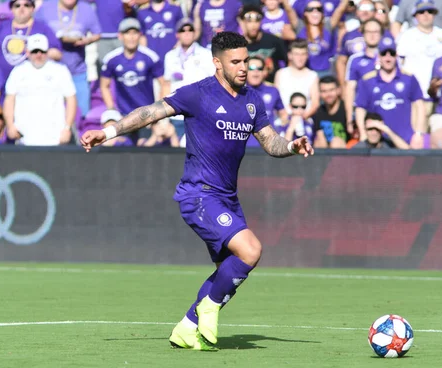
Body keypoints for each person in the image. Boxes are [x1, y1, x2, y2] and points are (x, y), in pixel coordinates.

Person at [80, 31, 314, 351]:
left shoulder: (252, 100)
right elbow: (150, 112)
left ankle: (187, 327)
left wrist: (291, 145)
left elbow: (271, 142)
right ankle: (209, 306)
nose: (244, 67)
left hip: (227, 198)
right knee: (250, 250)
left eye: (246, 60)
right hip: (199, 194)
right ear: (217, 64)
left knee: (227, 272)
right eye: (236, 62)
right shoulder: (198, 94)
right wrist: (107, 132)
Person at [3, 33, 77, 146]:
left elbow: (71, 99)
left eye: (42, 51)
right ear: (28, 52)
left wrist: (67, 128)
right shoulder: (18, 72)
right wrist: (10, 125)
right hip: (25, 138)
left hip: (54, 138)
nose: (38, 55)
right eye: (35, 51)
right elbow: (9, 99)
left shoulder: (60, 71)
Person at [100, 18, 165, 144]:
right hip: (123, 115)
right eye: (127, 33)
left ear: (140, 35)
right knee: (116, 144)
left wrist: (157, 111)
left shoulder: (150, 57)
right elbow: (104, 85)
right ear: (120, 36)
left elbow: (164, 84)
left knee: (146, 145)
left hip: (146, 115)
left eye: (134, 33)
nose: (131, 37)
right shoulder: (112, 59)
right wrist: (112, 108)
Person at [354, 39, 426, 147]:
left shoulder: (408, 78)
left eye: (391, 54)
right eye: (384, 54)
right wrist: (363, 133)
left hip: (405, 138)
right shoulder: (368, 81)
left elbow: (419, 106)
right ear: (379, 56)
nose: (388, 58)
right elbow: (360, 108)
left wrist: (418, 133)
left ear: (396, 55)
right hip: (379, 140)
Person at [36, 0, 102, 117]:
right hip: (50, 73)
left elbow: (97, 33)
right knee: (51, 113)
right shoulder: (46, 7)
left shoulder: (86, 9)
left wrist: (87, 40)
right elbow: (35, 30)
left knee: (82, 114)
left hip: (77, 72)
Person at [163, 18, 215, 138]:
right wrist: (164, 119)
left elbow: (214, 83)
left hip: (200, 114)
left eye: (190, 29)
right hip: (176, 114)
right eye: (183, 30)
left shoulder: (206, 54)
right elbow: (166, 85)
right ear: (177, 34)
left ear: (195, 33)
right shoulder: (170, 56)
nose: (187, 32)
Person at [0, 0, 62, 79]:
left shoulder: (42, 28)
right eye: (17, 5)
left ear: (32, 8)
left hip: (30, 82)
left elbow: (57, 53)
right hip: (2, 82)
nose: (21, 8)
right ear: (11, 8)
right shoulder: (2, 27)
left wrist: (36, 53)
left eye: (26, 5)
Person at [241, 5, 288, 83]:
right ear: (243, 22)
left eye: (256, 21)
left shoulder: (274, 41)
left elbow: (287, 62)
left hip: (272, 85)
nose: (253, 25)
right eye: (249, 21)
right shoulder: (238, 45)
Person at [274, 39, 319, 118]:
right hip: (283, 120)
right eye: (296, 54)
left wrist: (300, 119)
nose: (300, 58)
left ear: (307, 55)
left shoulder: (312, 75)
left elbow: (315, 104)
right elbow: (276, 100)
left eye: (303, 54)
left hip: (305, 120)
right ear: (290, 55)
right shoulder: (280, 74)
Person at [313, 76, 349, 148]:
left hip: (347, 150)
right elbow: (320, 135)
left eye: (331, 90)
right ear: (319, 93)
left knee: (336, 142)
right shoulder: (319, 111)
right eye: (324, 91)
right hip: (326, 150)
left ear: (338, 90)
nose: (328, 95)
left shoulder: (346, 109)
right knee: (318, 142)